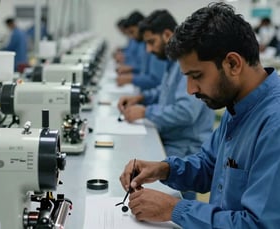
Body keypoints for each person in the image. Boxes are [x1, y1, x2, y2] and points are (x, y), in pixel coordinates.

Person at [120, 3, 280, 228]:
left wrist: (174, 209)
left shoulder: (274, 124)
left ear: (233, 64)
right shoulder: (238, 103)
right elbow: (209, 166)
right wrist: (164, 169)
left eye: (197, 75)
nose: (190, 90)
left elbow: (257, 225)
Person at [118, 10, 214, 159]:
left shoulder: (186, 65)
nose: (148, 50)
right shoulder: (172, 63)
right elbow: (164, 90)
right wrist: (141, 98)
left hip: (185, 150)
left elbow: (186, 112)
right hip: (171, 139)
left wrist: (146, 112)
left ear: (167, 35)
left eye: (151, 42)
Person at [116, 11, 166, 91]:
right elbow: (143, 68)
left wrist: (132, 78)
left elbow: (156, 80)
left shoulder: (157, 49)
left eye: (132, 32)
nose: (131, 37)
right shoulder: (144, 44)